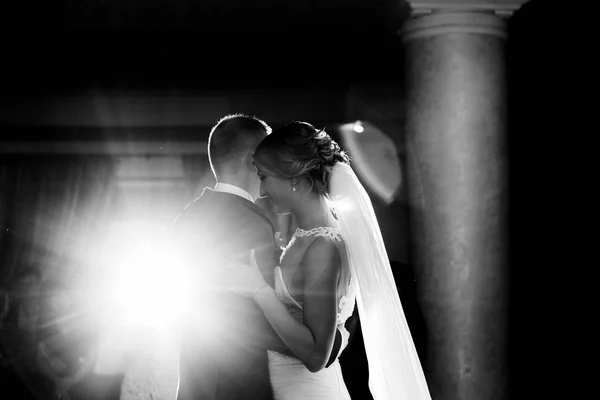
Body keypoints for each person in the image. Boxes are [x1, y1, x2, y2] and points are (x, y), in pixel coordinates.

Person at [222, 121, 432, 400]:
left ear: (294, 178)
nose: (261, 191)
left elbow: (316, 355)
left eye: (264, 177)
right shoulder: (307, 237)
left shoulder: (323, 247)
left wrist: (259, 291)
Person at [169, 114, 344, 400]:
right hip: (236, 383)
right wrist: (326, 343)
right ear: (254, 159)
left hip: (196, 378)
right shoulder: (250, 220)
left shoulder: (186, 217)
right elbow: (246, 319)